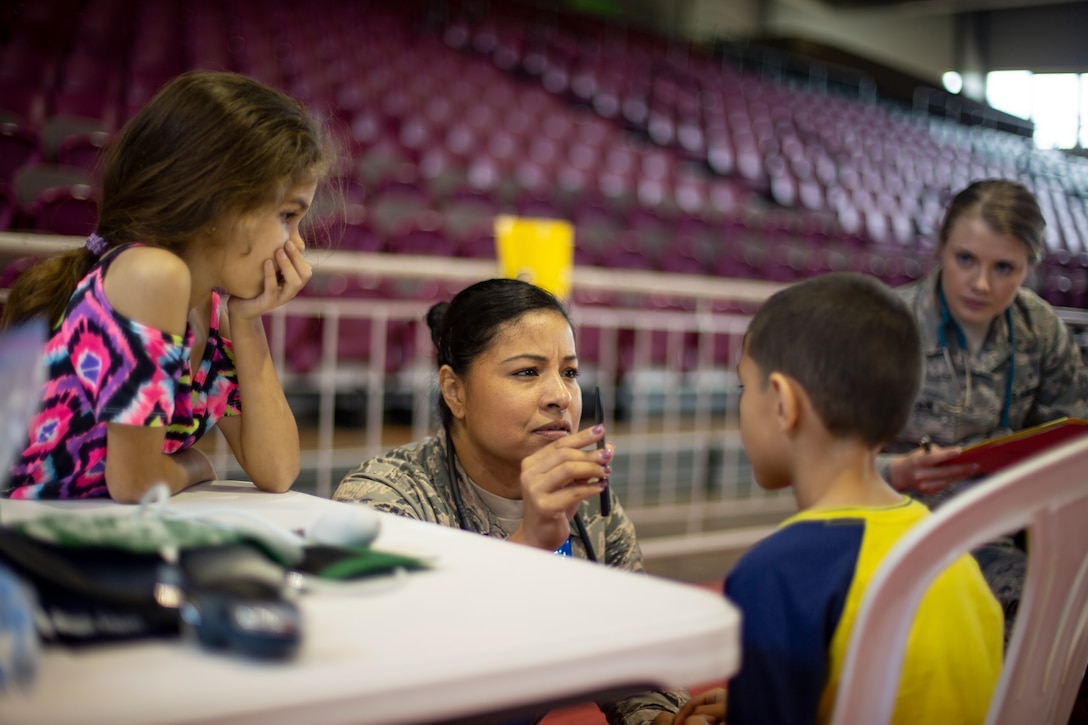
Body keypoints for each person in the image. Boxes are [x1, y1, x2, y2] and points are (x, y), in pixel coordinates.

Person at [333, 277, 686, 725]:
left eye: (570, 372)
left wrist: (672, 720)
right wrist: (529, 544)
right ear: (454, 391)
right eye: (526, 372)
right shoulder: (384, 501)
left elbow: (636, 663)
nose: (560, 396)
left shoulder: (590, 510)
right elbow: (392, 680)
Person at [674, 272, 1003, 725]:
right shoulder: (954, 554)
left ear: (783, 404)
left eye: (743, 387)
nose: (740, 404)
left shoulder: (777, 573)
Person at [2, 71, 333, 502]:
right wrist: (193, 464)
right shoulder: (151, 275)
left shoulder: (212, 310)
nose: (298, 243)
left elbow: (277, 469)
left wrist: (247, 320)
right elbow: (135, 484)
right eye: (288, 216)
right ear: (220, 203)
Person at [881, 179, 1088, 637]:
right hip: (892, 529)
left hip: (1001, 532)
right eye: (965, 259)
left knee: (1056, 610)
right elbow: (819, 460)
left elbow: (1073, 447)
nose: (980, 284)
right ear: (941, 247)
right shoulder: (884, 327)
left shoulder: (1040, 331)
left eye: (1004, 268)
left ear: (1029, 267)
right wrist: (894, 472)